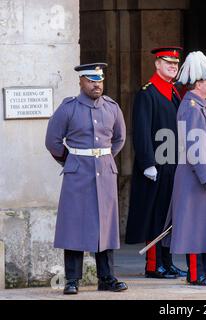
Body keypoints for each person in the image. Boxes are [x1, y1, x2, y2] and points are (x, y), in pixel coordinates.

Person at [45, 63, 128, 294]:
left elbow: (119, 138)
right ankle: (72, 280)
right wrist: (70, 161)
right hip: (78, 173)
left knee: (106, 225)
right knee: (74, 226)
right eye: (91, 80)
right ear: (81, 82)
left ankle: (107, 277)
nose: (96, 85)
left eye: (99, 81)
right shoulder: (69, 108)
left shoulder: (111, 107)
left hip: (105, 172)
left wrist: (103, 158)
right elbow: (52, 140)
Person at [163, 51, 206, 286]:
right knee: (194, 226)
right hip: (195, 177)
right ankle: (195, 273)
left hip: (203, 175)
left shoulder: (201, 104)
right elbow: (194, 144)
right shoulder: (191, 106)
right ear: (199, 83)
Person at [125, 47, 186, 279]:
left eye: (175, 63)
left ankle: (167, 262)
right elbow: (141, 131)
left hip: (173, 164)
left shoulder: (173, 92)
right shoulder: (147, 93)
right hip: (156, 166)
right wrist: (147, 163)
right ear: (157, 65)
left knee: (169, 217)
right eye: (167, 62)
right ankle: (153, 264)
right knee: (155, 216)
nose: (172, 66)